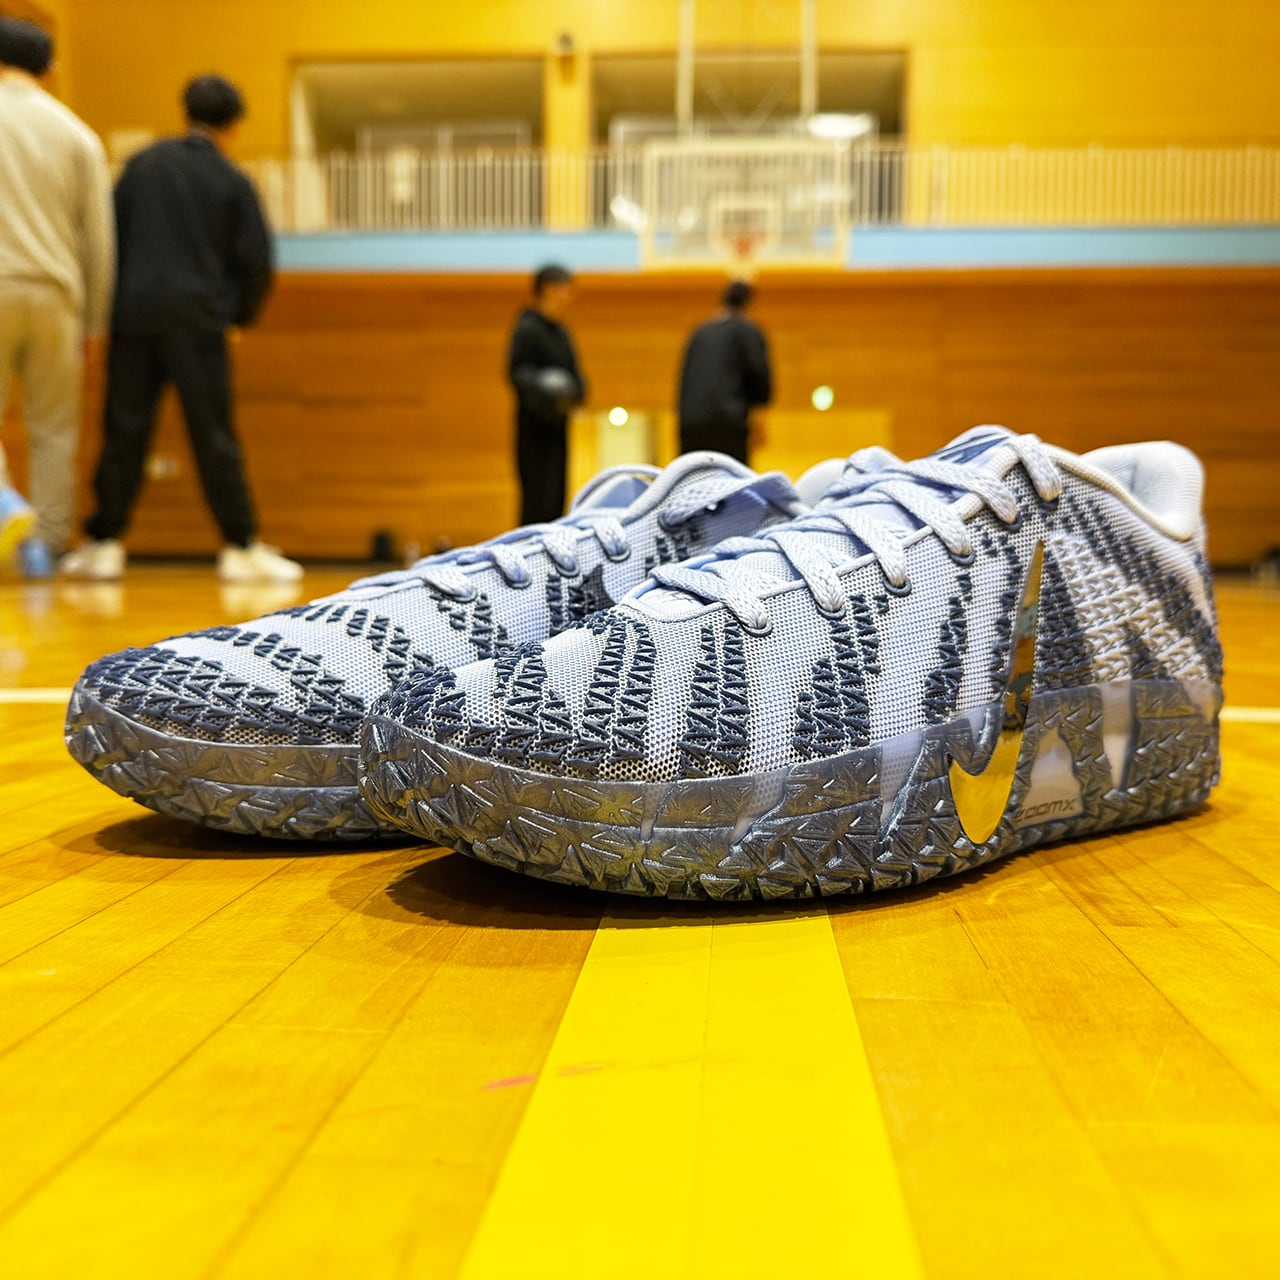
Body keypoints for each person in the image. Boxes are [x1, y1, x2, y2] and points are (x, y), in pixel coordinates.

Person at [63, 74, 300, 583]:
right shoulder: (232, 179)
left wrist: (105, 310)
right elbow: (256, 260)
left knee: (124, 428)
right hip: (198, 319)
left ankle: (104, 543)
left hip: (133, 316)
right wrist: (238, 315)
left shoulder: (141, 166)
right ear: (234, 125)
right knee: (213, 433)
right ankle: (239, 547)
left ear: (185, 111)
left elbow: (105, 240)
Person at [0, 16, 114, 579]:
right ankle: (42, 547)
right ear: (50, 68)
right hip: (58, 295)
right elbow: (99, 241)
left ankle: (4, 508)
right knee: (53, 429)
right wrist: (95, 324)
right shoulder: (77, 134)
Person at [506, 264, 587, 525]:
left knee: (556, 498)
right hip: (533, 429)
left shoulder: (562, 333)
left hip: (558, 427)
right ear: (548, 289)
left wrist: (574, 393)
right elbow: (516, 372)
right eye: (565, 289)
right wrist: (546, 390)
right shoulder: (527, 327)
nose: (569, 296)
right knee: (535, 499)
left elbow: (577, 377)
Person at [677, 279, 772, 464]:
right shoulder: (748, 330)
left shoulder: (699, 332)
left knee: (693, 476)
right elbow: (759, 378)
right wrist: (759, 423)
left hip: (690, 423)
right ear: (748, 303)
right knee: (732, 478)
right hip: (730, 422)